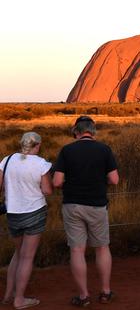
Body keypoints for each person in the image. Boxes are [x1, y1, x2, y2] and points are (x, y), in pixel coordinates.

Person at [53, 116, 119, 306]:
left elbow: (57, 182)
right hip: (97, 205)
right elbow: (114, 180)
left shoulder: (67, 150)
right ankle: (105, 292)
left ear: (76, 131)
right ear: (93, 131)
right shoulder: (104, 149)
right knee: (102, 247)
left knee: (77, 250)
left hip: (72, 205)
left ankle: (83, 296)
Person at [1, 132, 52, 309]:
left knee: (18, 253)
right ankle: (19, 299)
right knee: (27, 257)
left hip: (12, 212)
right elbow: (47, 191)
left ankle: (8, 294)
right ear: (37, 145)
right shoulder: (41, 163)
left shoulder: (7, 160)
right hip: (34, 212)